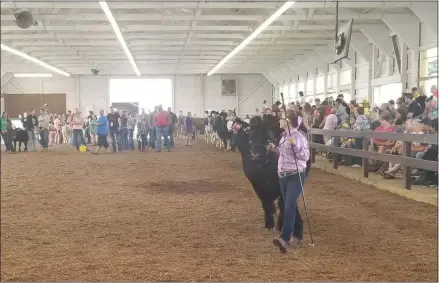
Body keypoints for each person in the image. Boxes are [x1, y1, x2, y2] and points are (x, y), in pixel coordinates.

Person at [269, 110, 310, 253]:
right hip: (283, 175)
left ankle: (284, 238)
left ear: (287, 121)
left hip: (295, 174)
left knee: (289, 205)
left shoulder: (299, 137)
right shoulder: (283, 136)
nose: (279, 121)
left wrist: (296, 146)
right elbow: (284, 153)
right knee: (290, 205)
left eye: (281, 118)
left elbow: (305, 156)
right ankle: (298, 234)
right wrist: (276, 150)